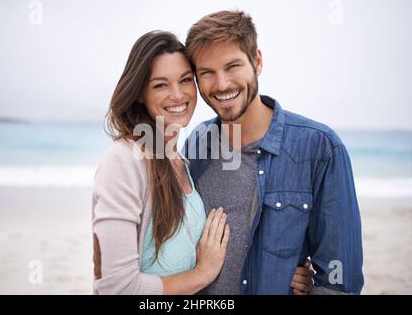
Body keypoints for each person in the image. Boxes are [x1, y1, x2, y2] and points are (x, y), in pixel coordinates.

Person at [92, 30, 314, 294]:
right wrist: (202, 273)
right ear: (140, 93)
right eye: (161, 85)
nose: (177, 95)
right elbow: (117, 288)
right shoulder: (125, 160)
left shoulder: (182, 160)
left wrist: (280, 270)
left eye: (185, 80)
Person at [183, 10, 364, 295]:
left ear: (257, 61)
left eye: (233, 66)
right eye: (207, 73)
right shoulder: (196, 144)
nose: (221, 84)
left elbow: (339, 279)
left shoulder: (320, 148)